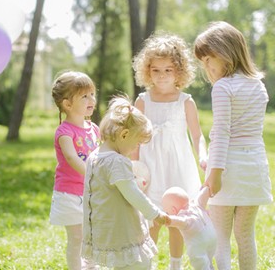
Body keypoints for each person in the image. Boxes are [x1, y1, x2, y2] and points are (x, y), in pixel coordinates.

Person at [194, 21, 273, 269]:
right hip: (254, 168)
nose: (206, 67)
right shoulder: (258, 86)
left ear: (226, 52)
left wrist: (214, 173)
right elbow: (247, 132)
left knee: (221, 238)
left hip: (228, 170)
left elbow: (224, 134)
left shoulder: (223, 87)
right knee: (246, 235)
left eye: (209, 59)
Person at [132, 32, 207, 270]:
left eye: (168, 70)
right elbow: (134, 140)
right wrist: (134, 168)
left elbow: (197, 135)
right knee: (151, 218)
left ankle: (176, 264)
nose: (162, 75)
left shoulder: (185, 101)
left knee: (178, 217)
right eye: (156, 70)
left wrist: (202, 156)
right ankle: (149, 263)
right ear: (147, 71)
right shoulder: (143, 101)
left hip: (178, 166)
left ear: (179, 71)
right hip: (151, 167)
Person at [82, 95, 169, 270]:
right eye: (136, 143)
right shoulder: (117, 161)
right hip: (123, 230)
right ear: (124, 134)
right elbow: (133, 194)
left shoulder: (94, 156)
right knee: (140, 263)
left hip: (104, 228)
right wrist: (155, 213)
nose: (136, 149)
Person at [49, 70, 100, 270]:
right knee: (77, 237)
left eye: (92, 94)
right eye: (84, 96)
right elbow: (71, 157)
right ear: (67, 104)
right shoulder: (64, 132)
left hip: (91, 193)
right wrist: (91, 173)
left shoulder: (93, 129)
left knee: (93, 236)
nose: (91, 100)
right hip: (70, 194)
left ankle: (91, 266)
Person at [162, 186, 217, 270]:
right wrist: (207, 188)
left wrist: (168, 220)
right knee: (208, 259)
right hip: (212, 237)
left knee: (199, 262)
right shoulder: (197, 205)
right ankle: (210, 267)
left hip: (198, 243)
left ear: (173, 210)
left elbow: (180, 221)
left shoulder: (183, 216)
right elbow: (202, 195)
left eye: (167, 212)